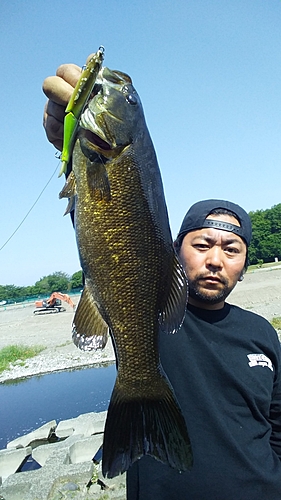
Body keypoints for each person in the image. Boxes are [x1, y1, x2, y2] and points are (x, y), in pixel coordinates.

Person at [42, 61, 281, 499]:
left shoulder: (264, 335)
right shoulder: (157, 318)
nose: (215, 259)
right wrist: (67, 143)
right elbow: (112, 232)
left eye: (232, 250)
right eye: (202, 243)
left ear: (246, 263)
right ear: (174, 250)